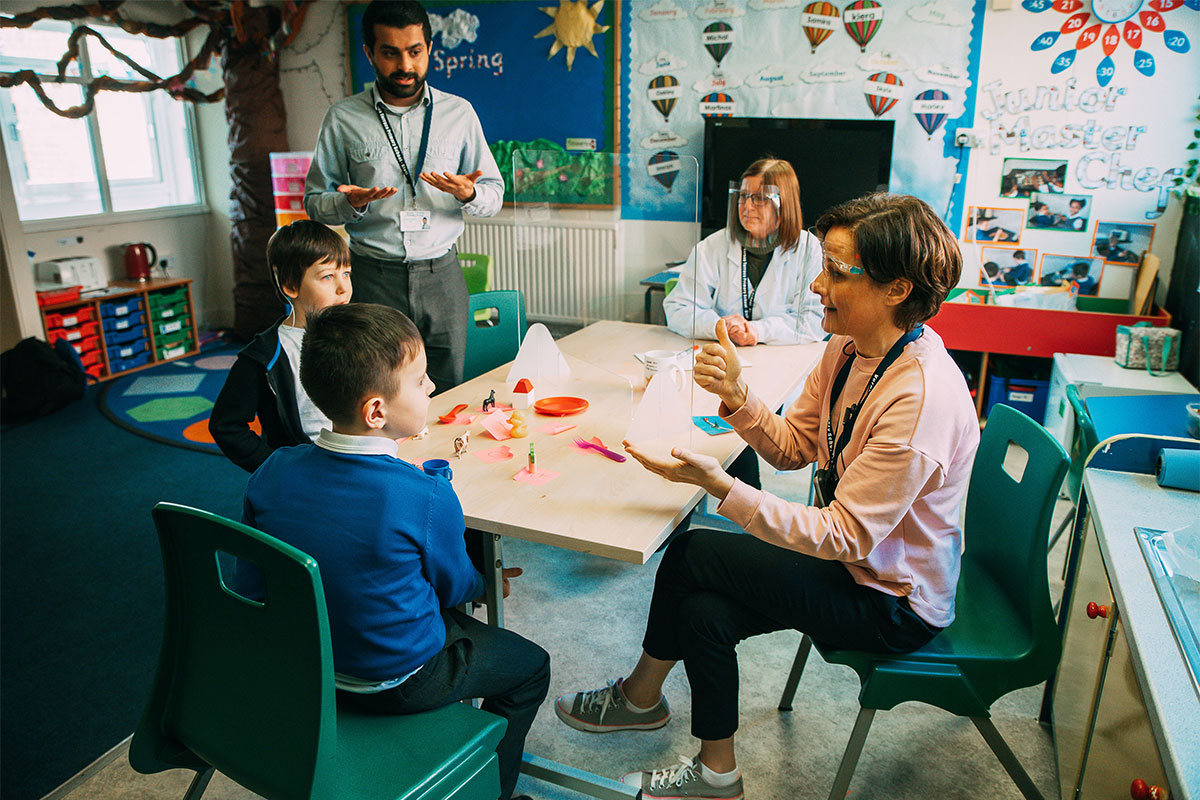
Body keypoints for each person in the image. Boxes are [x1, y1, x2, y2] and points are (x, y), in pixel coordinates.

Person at [555, 194, 980, 800]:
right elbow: (793, 446)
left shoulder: (921, 399)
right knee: (702, 611)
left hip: (893, 600)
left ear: (895, 290)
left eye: (836, 271)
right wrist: (738, 396)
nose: (816, 283)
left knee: (694, 554)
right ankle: (715, 774)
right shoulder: (848, 347)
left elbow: (843, 535)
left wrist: (720, 486)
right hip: (855, 568)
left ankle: (639, 698)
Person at [242, 303, 548, 800]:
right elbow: (456, 588)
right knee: (530, 667)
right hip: (396, 679)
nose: (431, 387)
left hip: (305, 668)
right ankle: (492, 791)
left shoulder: (272, 470)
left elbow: (253, 582)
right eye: (421, 379)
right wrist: (491, 580)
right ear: (376, 412)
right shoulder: (423, 495)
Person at [304, 0, 503, 394]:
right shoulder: (343, 118)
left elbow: (494, 196)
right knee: (378, 389)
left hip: (443, 275)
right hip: (372, 276)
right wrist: (351, 203)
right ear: (369, 53)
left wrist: (469, 194)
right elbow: (314, 200)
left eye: (415, 51)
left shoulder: (459, 114)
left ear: (429, 48)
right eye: (390, 53)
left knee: (451, 389)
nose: (405, 65)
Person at [210, 220, 352, 473]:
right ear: (291, 286)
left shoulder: (356, 334)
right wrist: (276, 468)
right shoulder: (264, 356)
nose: (343, 288)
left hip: (359, 461)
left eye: (346, 274)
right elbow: (226, 425)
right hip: (308, 474)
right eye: (328, 276)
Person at [664, 158, 824, 348]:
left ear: (784, 204)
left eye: (760, 198)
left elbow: (814, 320)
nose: (747, 207)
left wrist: (757, 330)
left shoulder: (808, 249)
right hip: (722, 356)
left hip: (784, 359)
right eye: (743, 196)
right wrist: (720, 326)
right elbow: (678, 310)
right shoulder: (712, 247)